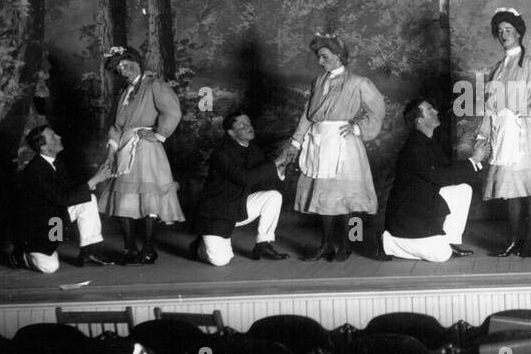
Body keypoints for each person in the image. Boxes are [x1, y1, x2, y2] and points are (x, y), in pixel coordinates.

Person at [288, 33, 385, 263]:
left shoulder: (358, 82)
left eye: (323, 57)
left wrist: (358, 128)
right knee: (323, 197)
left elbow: (378, 111)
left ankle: (345, 245)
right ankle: (325, 244)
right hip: (319, 143)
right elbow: (307, 114)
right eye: (318, 57)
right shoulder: (318, 81)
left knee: (343, 198)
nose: (319, 62)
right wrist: (296, 142)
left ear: (339, 56)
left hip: (343, 146)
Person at [473, 8, 531, 258]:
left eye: (508, 30)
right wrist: (483, 135)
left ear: (519, 32)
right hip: (503, 134)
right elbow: (490, 108)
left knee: (529, 191)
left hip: (526, 134)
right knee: (511, 190)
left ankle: (530, 242)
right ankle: (513, 240)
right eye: (500, 31)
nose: (504, 35)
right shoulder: (496, 69)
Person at [97, 45, 184, 264]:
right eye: (119, 69)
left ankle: (147, 247)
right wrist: (111, 152)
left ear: (136, 62)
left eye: (126, 65)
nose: (123, 71)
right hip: (124, 148)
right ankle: (129, 248)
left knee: (148, 197)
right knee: (123, 197)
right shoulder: (124, 93)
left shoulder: (153, 85)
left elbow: (173, 111)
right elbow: (116, 127)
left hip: (145, 149)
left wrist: (159, 134)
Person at [379, 98, 483, 262]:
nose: (436, 111)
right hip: (406, 218)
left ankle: (450, 241)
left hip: (420, 205)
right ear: (420, 120)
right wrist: (474, 160)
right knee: (442, 255)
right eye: (430, 110)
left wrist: (473, 160)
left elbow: (447, 173)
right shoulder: (415, 146)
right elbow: (442, 177)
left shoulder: (427, 141)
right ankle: (388, 243)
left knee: (463, 189)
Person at [190, 111, 294, 266]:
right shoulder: (221, 153)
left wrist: (284, 163)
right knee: (221, 261)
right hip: (217, 214)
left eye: (249, 123)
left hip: (238, 208)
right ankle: (199, 246)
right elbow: (246, 178)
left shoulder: (254, 150)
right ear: (231, 133)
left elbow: (264, 175)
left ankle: (263, 244)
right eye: (242, 125)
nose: (248, 127)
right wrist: (276, 162)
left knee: (273, 196)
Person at [14, 125, 114, 272]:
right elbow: (62, 198)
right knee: (50, 267)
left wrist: (93, 180)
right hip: (40, 228)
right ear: (43, 147)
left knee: (88, 199)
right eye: (53, 136)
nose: (59, 137)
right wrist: (93, 181)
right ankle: (21, 256)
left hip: (55, 218)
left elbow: (70, 189)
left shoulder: (57, 162)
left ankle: (88, 252)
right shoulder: (35, 170)